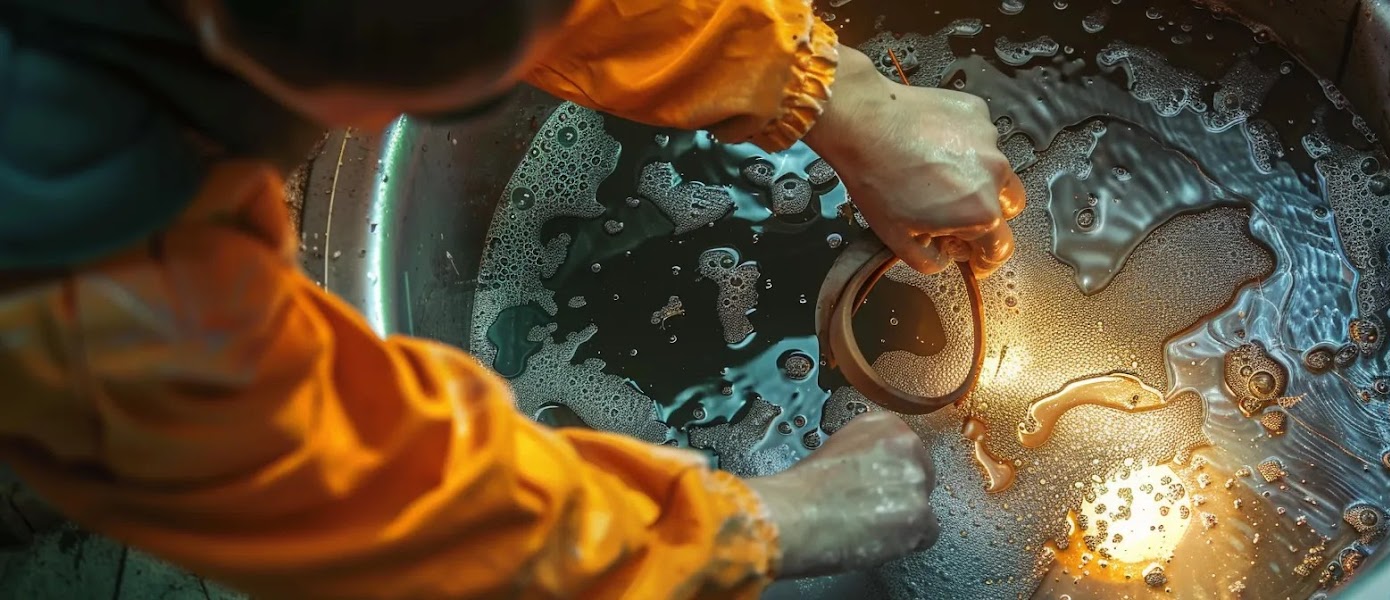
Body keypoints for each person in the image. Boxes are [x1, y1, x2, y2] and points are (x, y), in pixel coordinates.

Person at [0, 0, 1024, 597]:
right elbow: (355, 493)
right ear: (362, 101)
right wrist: (754, 524)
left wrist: (836, 93)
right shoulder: (95, 282)